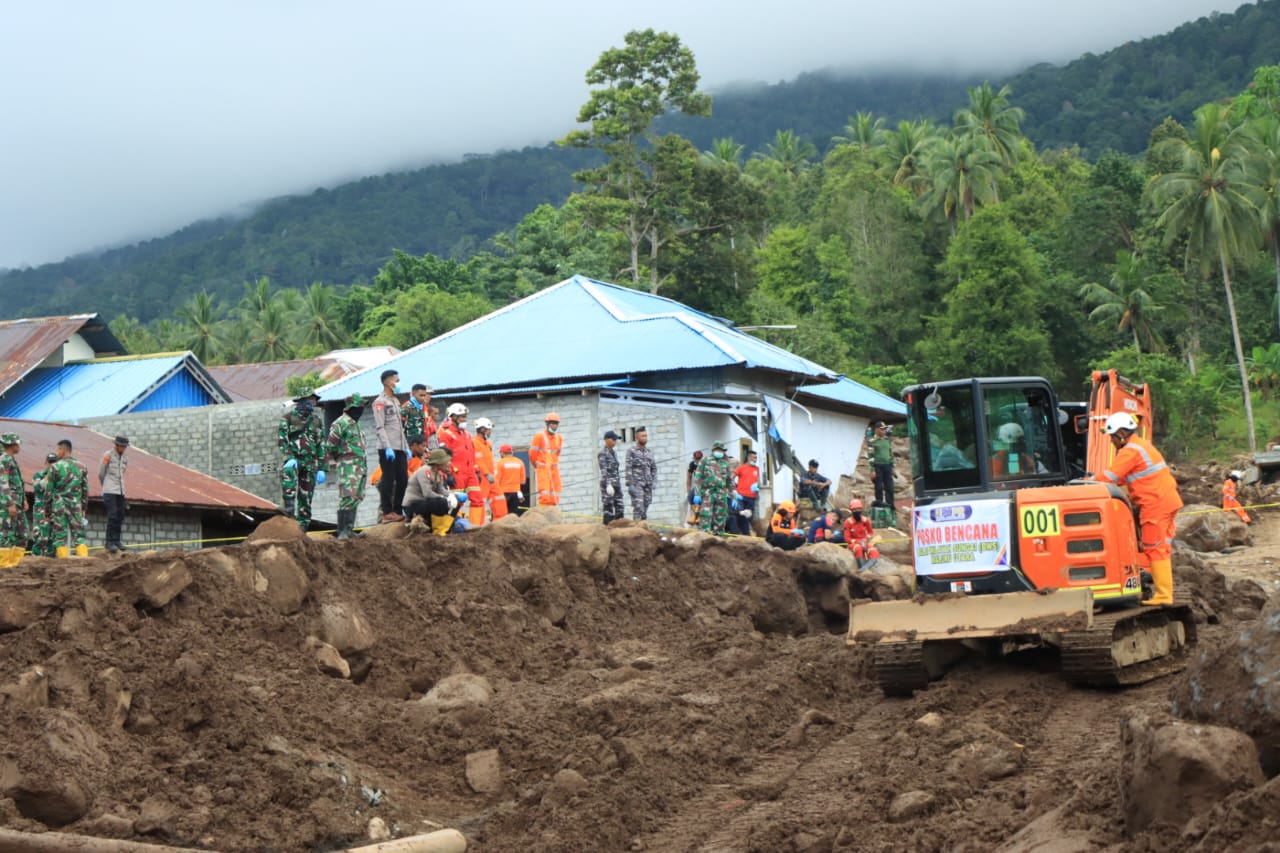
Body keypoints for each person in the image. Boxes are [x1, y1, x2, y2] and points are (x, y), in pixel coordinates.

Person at [1094, 412, 1184, 606]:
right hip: (1167, 500)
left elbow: (1109, 476)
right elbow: (1122, 477)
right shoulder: (1142, 446)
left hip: (1154, 504)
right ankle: (1162, 589)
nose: (1111, 441)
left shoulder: (1130, 451)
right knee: (1161, 548)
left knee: (1154, 548)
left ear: (1121, 434)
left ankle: (1163, 594)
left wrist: (1086, 482)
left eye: (1112, 437)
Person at [278, 392, 325, 530]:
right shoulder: (288, 418)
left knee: (306, 498)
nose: (314, 403)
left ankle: (302, 528)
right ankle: (289, 514)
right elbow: (282, 440)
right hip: (294, 461)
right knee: (288, 479)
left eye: (315, 401)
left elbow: (321, 444)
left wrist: (322, 467)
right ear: (303, 400)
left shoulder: (317, 420)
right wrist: (288, 458)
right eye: (311, 400)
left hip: (310, 464)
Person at [327, 394, 368, 540]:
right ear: (351, 407)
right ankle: (342, 531)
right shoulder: (341, 423)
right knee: (347, 496)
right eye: (359, 407)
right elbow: (330, 445)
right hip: (348, 465)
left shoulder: (356, 424)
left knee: (356, 496)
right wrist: (343, 456)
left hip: (360, 464)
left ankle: (349, 529)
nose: (361, 410)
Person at [438, 403, 484, 524]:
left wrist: (477, 471)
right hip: (456, 473)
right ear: (453, 417)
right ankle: (456, 526)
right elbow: (444, 456)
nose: (465, 419)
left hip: (470, 473)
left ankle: (475, 527)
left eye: (465, 416)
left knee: (478, 500)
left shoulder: (468, 435)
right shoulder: (446, 435)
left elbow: (472, 455)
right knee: (456, 502)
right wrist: (448, 474)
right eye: (462, 417)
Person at [373, 369, 408, 522]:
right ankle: (387, 512)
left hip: (399, 446)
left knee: (403, 479)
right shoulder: (380, 401)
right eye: (396, 380)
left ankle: (397, 510)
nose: (398, 383)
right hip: (387, 448)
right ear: (388, 382)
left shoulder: (396, 401)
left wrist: (405, 446)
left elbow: (400, 427)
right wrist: (387, 447)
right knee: (388, 479)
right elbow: (380, 427)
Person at [403, 448, 460, 536]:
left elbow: (441, 489)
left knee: (457, 502)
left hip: (426, 503)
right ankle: (436, 531)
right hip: (413, 505)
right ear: (438, 463)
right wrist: (444, 498)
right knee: (440, 502)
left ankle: (445, 530)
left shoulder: (438, 473)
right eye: (445, 461)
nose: (447, 463)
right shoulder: (424, 471)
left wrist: (452, 495)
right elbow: (427, 493)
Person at [48, 439, 89, 557]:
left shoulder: (55, 467)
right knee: (79, 535)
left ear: (63, 450)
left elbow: (49, 491)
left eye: (58, 450)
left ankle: (63, 562)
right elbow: (85, 489)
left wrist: (47, 508)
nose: (57, 453)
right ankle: (84, 560)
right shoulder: (82, 467)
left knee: (60, 535)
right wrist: (84, 508)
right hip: (76, 506)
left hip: (59, 506)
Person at [693, 440, 735, 534]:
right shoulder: (705, 460)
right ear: (713, 450)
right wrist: (697, 493)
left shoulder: (725, 463)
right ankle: (704, 535)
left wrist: (734, 495)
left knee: (721, 515)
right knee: (706, 515)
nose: (720, 452)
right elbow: (698, 477)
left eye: (722, 450)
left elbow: (729, 480)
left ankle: (719, 535)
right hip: (708, 492)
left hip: (721, 493)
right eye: (718, 450)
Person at [98, 435, 129, 553]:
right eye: (122, 446)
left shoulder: (125, 457)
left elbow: (123, 472)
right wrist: (105, 486)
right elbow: (101, 473)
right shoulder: (108, 455)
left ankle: (117, 540)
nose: (124, 448)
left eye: (125, 447)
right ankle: (109, 542)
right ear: (117, 445)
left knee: (120, 514)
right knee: (112, 515)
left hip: (120, 490)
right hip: (109, 490)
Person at [529, 412, 563, 506]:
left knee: (556, 490)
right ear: (547, 424)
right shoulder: (539, 436)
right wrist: (537, 465)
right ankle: (544, 509)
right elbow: (532, 454)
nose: (554, 426)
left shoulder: (559, 438)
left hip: (554, 469)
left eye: (556, 424)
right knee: (544, 491)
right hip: (543, 469)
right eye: (552, 423)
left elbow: (557, 453)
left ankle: (552, 509)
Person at [0, 434, 25, 561]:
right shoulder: (4, 460)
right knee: (6, 533)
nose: (19, 446)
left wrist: (24, 499)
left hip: (17, 502)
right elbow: (3, 483)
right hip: (8, 504)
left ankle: (16, 565)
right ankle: (3, 565)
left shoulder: (11, 460)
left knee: (21, 534)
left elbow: (18, 483)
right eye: (17, 444)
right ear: (12, 445)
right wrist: (10, 503)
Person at [625, 426, 658, 520]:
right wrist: (630, 484)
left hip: (648, 484)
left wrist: (654, 481)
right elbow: (628, 468)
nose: (645, 438)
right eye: (642, 436)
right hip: (637, 484)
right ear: (637, 437)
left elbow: (654, 468)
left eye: (646, 436)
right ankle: (636, 529)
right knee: (638, 507)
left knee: (645, 507)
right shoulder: (632, 451)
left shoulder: (649, 452)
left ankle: (643, 530)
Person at [29, 453, 57, 557]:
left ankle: (51, 562)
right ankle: (35, 559)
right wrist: (48, 477)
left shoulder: (59, 477)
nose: (52, 464)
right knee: (41, 537)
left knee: (53, 538)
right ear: (46, 463)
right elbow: (38, 488)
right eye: (50, 462)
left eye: (54, 462)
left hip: (55, 510)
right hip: (41, 510)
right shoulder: (38, 475)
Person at [473, 417, 500, 524]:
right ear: (483, 430)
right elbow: (478, 460)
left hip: (491, 477)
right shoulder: (475, 443)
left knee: (499, 498)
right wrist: (487, 474)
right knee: (480, 502)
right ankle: (476, 526)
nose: (490, 432)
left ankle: (499, 523)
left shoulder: (487, 444)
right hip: (483, 477)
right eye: (489, 430)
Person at [729, 449, 761, 536]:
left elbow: (760, 481)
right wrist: (733, 490)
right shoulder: (742, 468)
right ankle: (740, 532)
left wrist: (758, 486)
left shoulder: (758, 469)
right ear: (748, 457)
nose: (755, 459)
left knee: (749, 516)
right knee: (740, 514)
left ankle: (746, 533)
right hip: (741, 496)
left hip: (752, 496)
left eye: (756, 458)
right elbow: (731, 478)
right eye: (753, 457)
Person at [867, 421, 895, 513]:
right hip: (877, 466)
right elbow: (870, 456)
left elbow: (890, 454)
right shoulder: (872, 441)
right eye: (882, 429)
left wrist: (892, 467)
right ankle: (879, 505)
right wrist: (872, 470)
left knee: (889, 487)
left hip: (887, 466)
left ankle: (890, 506)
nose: (884, 431)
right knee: (878, 487)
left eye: (884, 429)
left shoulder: (887, 440)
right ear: (877, 430)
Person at [844, 499, 879, 567]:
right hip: (853, 544)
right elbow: (847, 539)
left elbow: (870, 532)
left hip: (864, 542)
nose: (857, 511)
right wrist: (858, 541)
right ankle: (863, 570)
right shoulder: (848, 522)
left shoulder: (866, 520)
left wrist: (865, 539)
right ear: (851, 511)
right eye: (854, 510)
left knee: (874, 551)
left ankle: (864, 569)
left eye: (858, 509)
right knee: (858, 548)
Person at [401, 384, 436, 451]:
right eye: (422, 395)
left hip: (423, 445)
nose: (427, 396)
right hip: (411, 446)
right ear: (414, 394)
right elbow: (400, 429)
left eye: (426, 394)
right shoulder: (407, 407)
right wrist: (405, 447)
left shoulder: (423, 408)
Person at [599, 430, 623, 524]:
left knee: (620, 507)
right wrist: (608, 484)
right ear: (606, 440)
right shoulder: (603, 453)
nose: (615, 441)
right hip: (608, 485)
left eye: (615, 439)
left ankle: (619, 529)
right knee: (608, 508)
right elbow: (603, 470)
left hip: (616, 484)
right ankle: (607, 530)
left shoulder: (614, 453)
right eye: (613, 439)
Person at [496, 444, 527, 518]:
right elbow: (523, 482)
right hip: (515, 493)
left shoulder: (500, 463)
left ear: (502, 453)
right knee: (513, 516)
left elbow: (496, 481)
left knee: (502, 516)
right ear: (511, 453)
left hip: (503, 493)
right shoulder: (520, 462)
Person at [686, 450, 704, 525]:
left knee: (701, 500)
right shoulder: (692, 464)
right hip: (697, 486)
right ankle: (696, 515)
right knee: (690, 496)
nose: (698, 460)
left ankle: (700, 516)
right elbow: (689, 478)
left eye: (699, 459)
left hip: (706, 486)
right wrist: (688, 490)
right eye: (696, 459)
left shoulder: (705, 464)